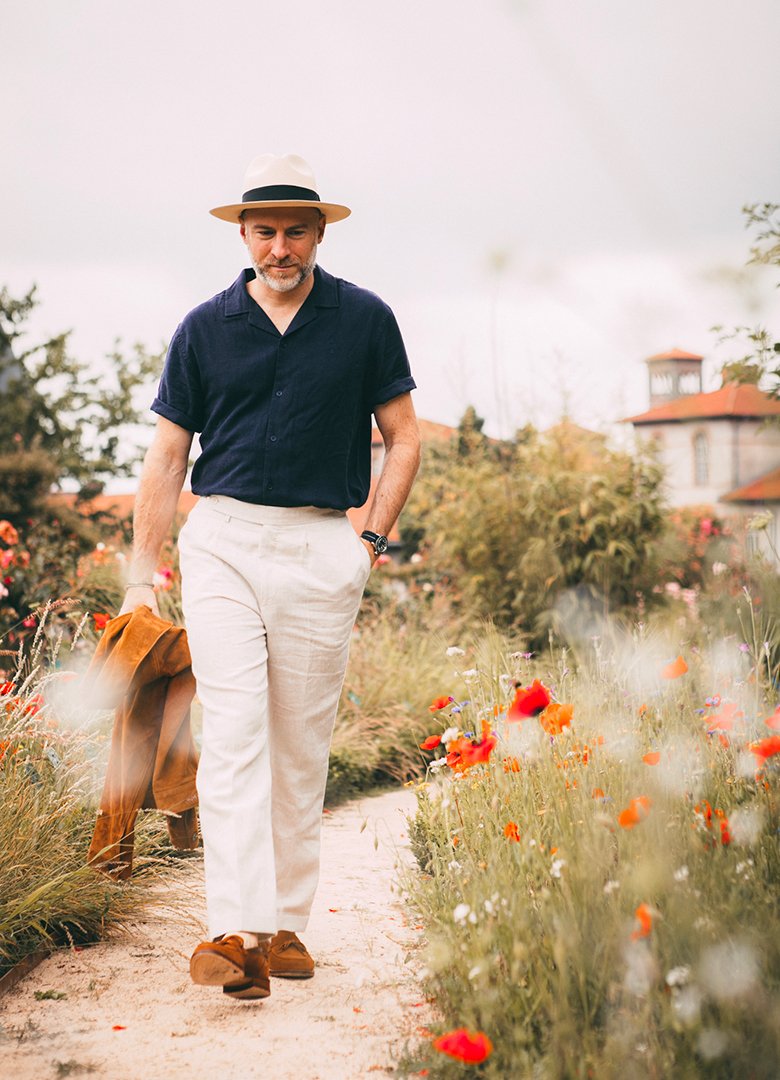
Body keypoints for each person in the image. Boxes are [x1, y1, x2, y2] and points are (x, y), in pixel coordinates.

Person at [120, 153, 420, 1000]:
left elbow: (403, 436)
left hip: (325, 545)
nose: (279, 247)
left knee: (299, 742)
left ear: (319, 233)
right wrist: (143, 574)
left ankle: (287, 924)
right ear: (243, 235)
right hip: (223, 542)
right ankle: (231, 932)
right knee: (238, 733)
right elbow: (169, 453)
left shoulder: (366, 319)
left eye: (295, 231)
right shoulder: (204, 326)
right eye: (265, 231)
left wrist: (370, 541)